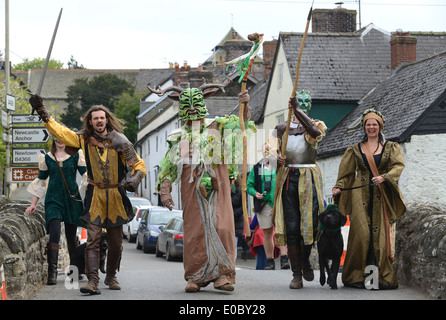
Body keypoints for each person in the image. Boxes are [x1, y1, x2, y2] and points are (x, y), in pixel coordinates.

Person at [29, 95, 146, 295]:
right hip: (95, 194)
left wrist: (134, 180)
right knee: (93, 238)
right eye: (95, 118)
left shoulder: (120, 140)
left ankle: (110, 276)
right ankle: (93, 281)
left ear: (107, 119)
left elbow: (139, 165)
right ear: (90, 121)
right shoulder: (83, 139)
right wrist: (43, 113)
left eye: (102, 118)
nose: (99, 121)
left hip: (116, 195)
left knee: (116, 242)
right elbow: (61, 132)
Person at [152, 83, 255, 293]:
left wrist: (245, 106)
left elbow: (243, 127)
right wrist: (165, 190)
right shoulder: (179, 136)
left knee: (222, 227)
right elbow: (170, 164)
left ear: (202, 104)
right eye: (186, 105)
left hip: (219, 181)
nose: (191, 109)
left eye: (194, 104)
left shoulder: (219, 126)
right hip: (191, 185)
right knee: (195, 231)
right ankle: (196, 277)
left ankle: (223, 275)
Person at [332, 108, 406, 289]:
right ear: (364, 127)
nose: (371, 127)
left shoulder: (391, 147)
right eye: (368, 124)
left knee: (379, 238)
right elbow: (346, 173)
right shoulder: (355, 149)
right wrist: (339, 186)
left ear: (380, 126)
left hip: (382, 194)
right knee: (362, 235)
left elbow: (398, 166)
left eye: (374, 124)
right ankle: (356, 277)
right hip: (360, 194)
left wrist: (385, 176)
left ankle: (378, 280)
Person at [269, 90, 326, 289]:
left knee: (309, 227)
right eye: (297, 102)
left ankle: (305, 260)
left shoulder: (316, 124)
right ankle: (296, 274)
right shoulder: (280, 129)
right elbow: (268, 155)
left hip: (308, 177)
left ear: (309, 105)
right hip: (288, 178)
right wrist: (277, 159)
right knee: (292, 228)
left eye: (304, 102)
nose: (301, 104)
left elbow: (315, 135)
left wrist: (297, 110)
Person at [26, 138, 87, 285]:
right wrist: (33, 203)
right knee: (54, 233)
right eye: (57, 138)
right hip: (53, 199)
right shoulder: (46, 158)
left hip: (72, 199)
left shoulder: (76, 155)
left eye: (62, 137)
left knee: (71, 237)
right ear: (53, 140)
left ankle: (74, 269)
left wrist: (89, 197)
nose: (60, 141)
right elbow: (41, 181)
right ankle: (51, 272)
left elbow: (86, 177)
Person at [247, 154, 284, 270]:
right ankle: (270, 261)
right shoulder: (256, 168)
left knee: (282, 231)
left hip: (279, 202)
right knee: (267, 233)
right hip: (264, 204)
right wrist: (255, 193)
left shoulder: (279, 166)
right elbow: (249, 186)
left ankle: (284, 259)